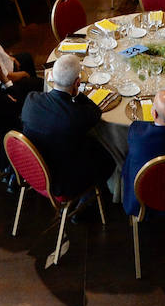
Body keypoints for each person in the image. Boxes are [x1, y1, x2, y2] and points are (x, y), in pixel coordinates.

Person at [19, 56, 114, 199]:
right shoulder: (75, 116)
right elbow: (96, 112)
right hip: (62, 182)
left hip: (31, 168)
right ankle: (86, 198)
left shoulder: (31, 99)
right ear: (77, 82)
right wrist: (78, 93)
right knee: (109, 159)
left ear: (51, 76)